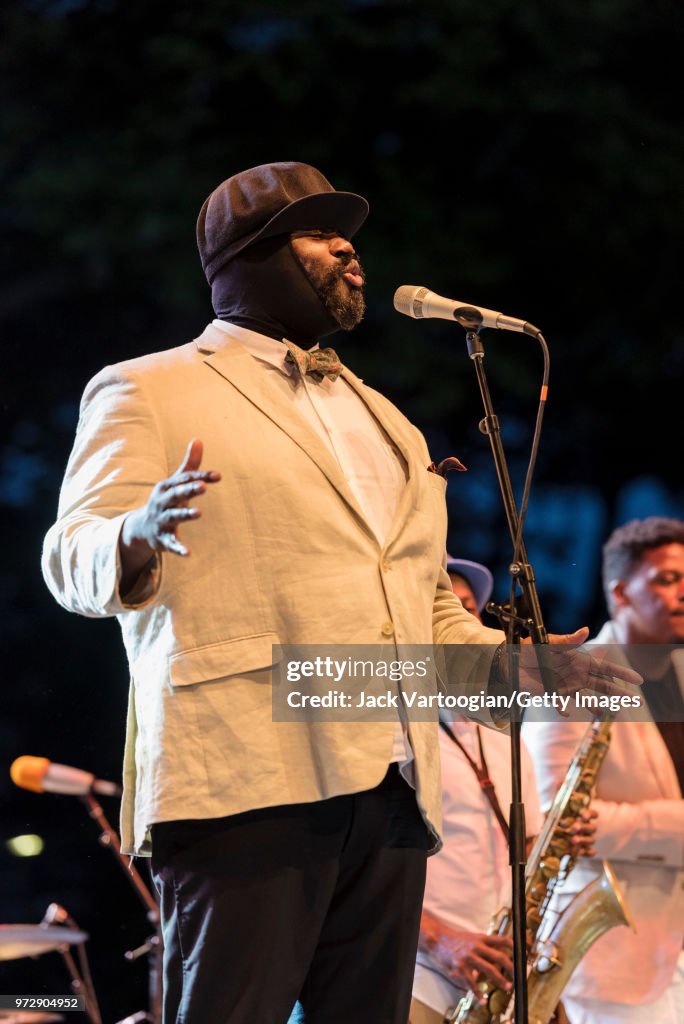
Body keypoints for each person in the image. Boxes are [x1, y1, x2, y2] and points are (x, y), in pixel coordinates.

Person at [40, 161, 639, 1024]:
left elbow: (424, 614)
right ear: (248, 258)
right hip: (246, 775)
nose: (350, 248)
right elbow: (67, 556)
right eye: (320, 233)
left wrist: (526, 672)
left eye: (346, 232)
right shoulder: (149, 387)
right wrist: (136, 530)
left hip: (391, 786)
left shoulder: (387, 419)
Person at [410, 559, 596, 1024]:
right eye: (444, 610)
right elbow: (359, 871)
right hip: (418, 972)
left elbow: (525, 850)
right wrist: (440, 939)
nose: (462, 624)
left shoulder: (506, 739)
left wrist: (557, 843)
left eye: (468, 611)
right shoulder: (388, 738)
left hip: (500, 977)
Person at [523, 516, 684, 1024]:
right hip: (614, 965)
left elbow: (602, 824)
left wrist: (622, 826)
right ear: (621, 591)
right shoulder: (574, 678)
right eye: (667, 578)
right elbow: (556, 819)